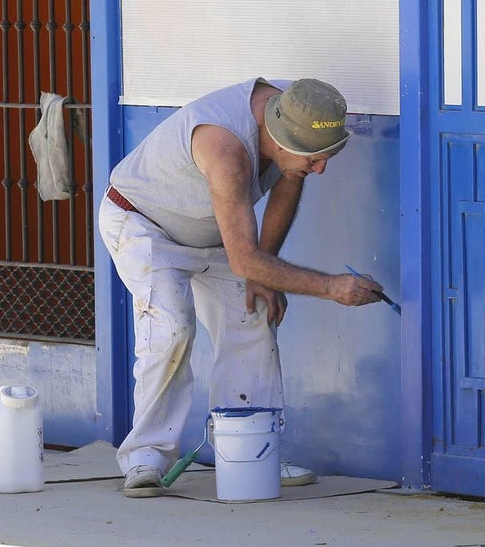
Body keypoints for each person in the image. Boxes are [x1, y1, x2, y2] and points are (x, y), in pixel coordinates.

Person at [98, 77, 385, 497]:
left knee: (255, 315)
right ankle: (145, 458)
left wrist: (262, 273)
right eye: (314, 159)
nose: (320, 168)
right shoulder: (224, 147)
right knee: (172, 330)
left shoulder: (301, 110)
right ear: (278, 136)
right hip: (146, 225)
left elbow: (290, 181)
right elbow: (244, 260)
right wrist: (330, 287)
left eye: (325, 157)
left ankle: (252, 452)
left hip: (217, 233)